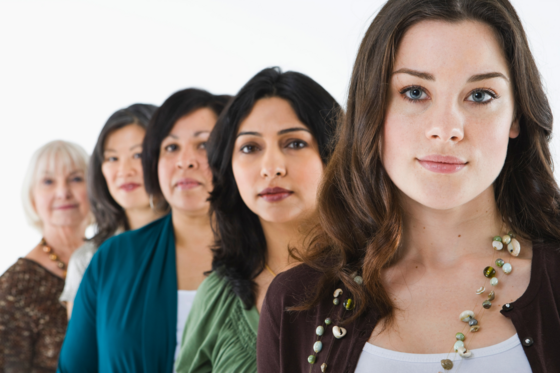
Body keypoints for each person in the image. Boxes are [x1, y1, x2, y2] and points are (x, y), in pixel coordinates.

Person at [257, 0, 558, 372]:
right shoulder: (296, 302)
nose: (447, 128)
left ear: (517, 116)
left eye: (480, 95)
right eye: (415, 92)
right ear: (372, 110)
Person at [175, 67, 341, 373]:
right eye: (250, 147)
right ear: (229, 167)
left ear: (334, 153)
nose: (271, 167)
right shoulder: (218, 298)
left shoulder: (382, 277)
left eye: (294, 143)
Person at [57, 89, 230, 373]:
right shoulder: (110, 257)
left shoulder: (264, 252)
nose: (185, 161)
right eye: (171, 147)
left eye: (203, 144)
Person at [60, 103, 166, 319]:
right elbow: (83, 350)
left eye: (138, 155)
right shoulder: (88, 259)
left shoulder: (206, 242)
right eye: (112, 158)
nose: (124, 171)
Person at [0, 140, 90, 372]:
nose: (63, 192)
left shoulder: (112, 260)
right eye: (48, 182)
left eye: (76, 178)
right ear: (32, 198)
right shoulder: (14, 286)